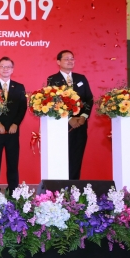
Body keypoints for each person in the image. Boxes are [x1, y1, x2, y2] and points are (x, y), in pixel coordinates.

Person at [47, 50, 93, 180]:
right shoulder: (53, 79)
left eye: (72, 58)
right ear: (58, 62)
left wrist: (83, 116)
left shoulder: (81, 78)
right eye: (66, 59)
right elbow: (54, 102)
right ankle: (61, 185)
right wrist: (69, 118)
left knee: (77, 157)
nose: (70, 61)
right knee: (62, 156)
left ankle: (74, 185)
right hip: (63, 126)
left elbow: (89, 99)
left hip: (81, 124)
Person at [0, 57, 27, 193]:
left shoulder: (19, 87)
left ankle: (13, 190)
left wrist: (16, 123)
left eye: (8, 67)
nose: (5, 69)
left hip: (13, 131)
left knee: (13, 162)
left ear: (12, 70)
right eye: (2, 66)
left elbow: (22, 108)